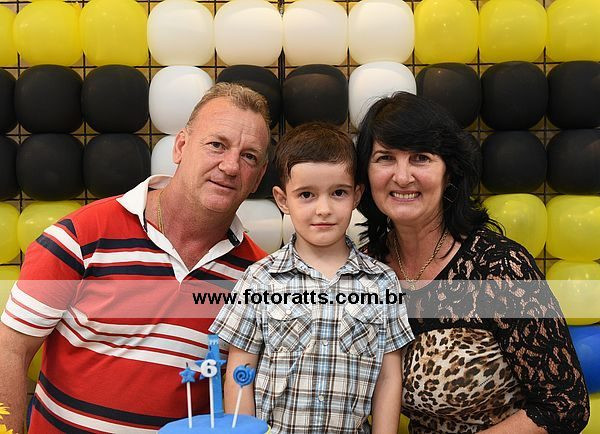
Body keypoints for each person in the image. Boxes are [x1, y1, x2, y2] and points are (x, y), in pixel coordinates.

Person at [0, 83, 272, 433]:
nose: (231, 166)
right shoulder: (80, 236)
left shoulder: (258, 276)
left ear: (259, 177)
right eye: (217, 145)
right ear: (181, 146)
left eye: (249, 156)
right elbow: (10, 351)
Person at [355, 92, 590, 434]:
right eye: (385, 158)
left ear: (449, 173)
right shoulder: (364, 270)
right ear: (365, 173)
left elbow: (566, 405)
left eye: (420, 158)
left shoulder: (499, 267)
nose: (402, 176)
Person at [210, 122, 414, 433]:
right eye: (306, 194)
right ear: (282, 200)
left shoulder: (382, 282)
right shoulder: (259, 279)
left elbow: (388, 377)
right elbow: (240, 371)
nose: (323, 209)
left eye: (338, 193)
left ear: (357, 195)